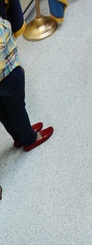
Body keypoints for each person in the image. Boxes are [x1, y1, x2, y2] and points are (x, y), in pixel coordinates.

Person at [0, 12, 52, 151]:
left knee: (4, 113)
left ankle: (18, 137)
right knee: (17, 109)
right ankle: (30, 138)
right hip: (7, 74)